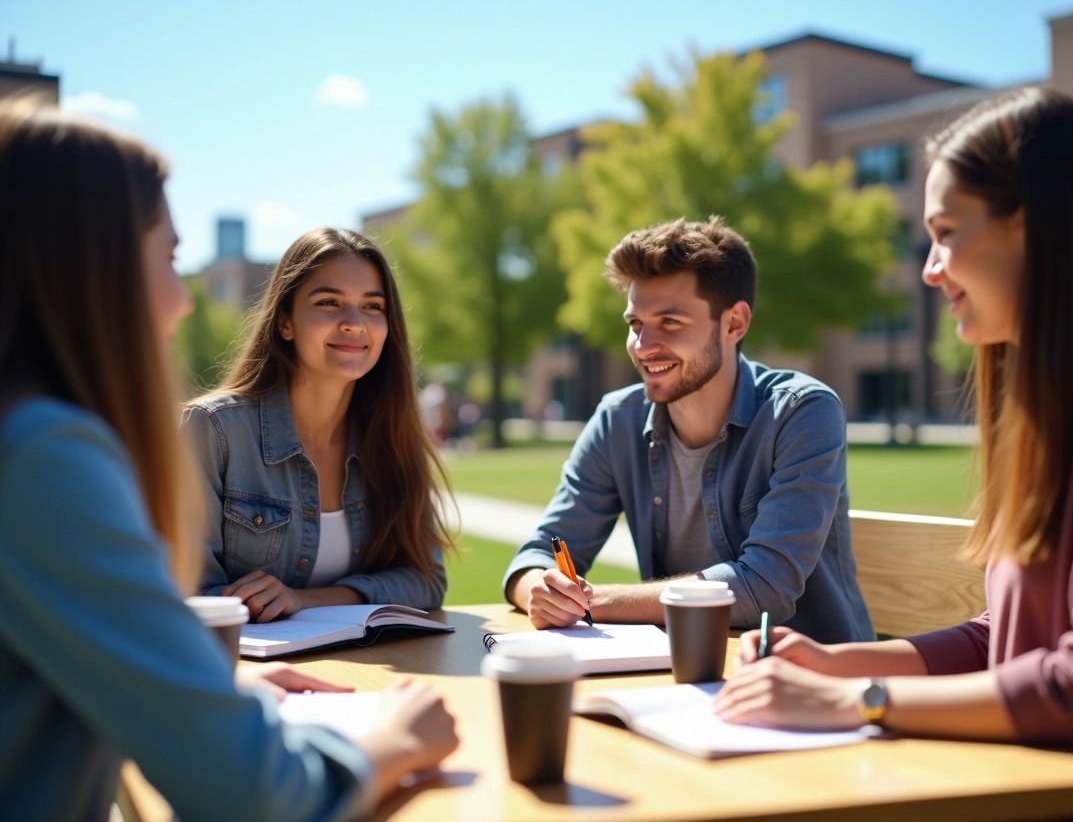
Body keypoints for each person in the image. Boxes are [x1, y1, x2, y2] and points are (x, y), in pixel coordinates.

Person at [714, 88, 1073, 822]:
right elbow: (1007, 638)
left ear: (1037, 229)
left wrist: (853, 700)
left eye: (947, 233)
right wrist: (842, 661)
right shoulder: (1044, 400)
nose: (930, 269)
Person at [0, 99, 458, 821]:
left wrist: (227, 691)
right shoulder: (43, 461)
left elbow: (427, 577)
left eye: (372, 308)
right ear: (93, 268)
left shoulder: (30, 442)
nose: (183, 302)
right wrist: (387, 744)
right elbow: (254, 796)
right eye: (169, 258)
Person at [503, 217, 874, 643]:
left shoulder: (801, 412)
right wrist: (541, 590)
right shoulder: (616, 420)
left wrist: (590, 602)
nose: (642, 347)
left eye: (670, 322)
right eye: (635, 324)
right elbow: (537, 554)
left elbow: (764, 588)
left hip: (813, 686)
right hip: (681, 676)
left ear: (734, 323)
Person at [183, 227, 456, 622]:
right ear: (285, 323)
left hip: (367, 674)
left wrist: (306, 599)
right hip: (247, 674)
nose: (353, 322)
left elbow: (427, 579)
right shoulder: (212, 431)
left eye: (373, 306)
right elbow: (187, 592)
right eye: (329, 302)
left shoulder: (393, 435)